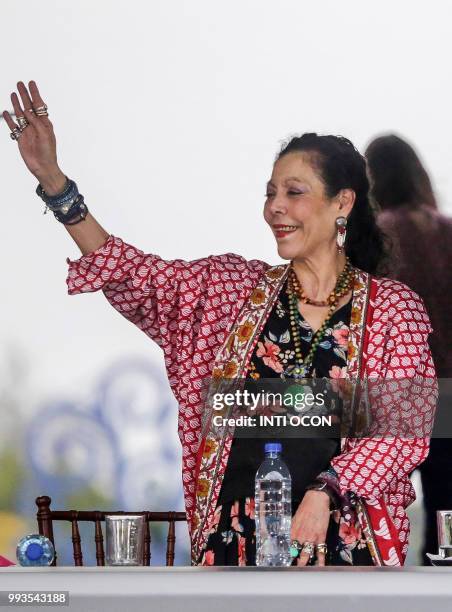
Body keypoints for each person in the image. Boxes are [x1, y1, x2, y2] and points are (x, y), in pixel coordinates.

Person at [3, 81, 437, 567]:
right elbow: (134, 276)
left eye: (295, 193)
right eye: (270, 193)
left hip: (348, 553)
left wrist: (327, 490)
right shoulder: (229, 292)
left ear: (343, 203)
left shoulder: (393, 311)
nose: (275, 207)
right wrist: (57, 184)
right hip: (236, 550)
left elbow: (403, 431)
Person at [366, 134, 452, 563]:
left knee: (376, 530)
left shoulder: (375, 239)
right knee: (447, 532)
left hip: (393, 399)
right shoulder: (447, 232)